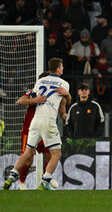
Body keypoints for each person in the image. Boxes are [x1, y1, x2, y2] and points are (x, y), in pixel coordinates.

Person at [3, 58, 70, 190]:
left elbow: (59, 105)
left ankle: (12, 176)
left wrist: (37, 99)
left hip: (35, 121)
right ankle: (44, 182)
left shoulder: (39, 82)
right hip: (48, 121)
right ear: (58, 69)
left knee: (28, 153)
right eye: (61, 67)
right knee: (56, 154)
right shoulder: (64, 83)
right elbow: (65, 101)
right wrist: (67, 94)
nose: (63, 69)